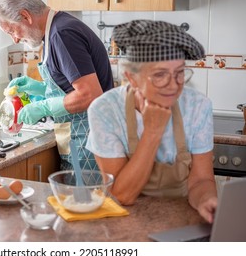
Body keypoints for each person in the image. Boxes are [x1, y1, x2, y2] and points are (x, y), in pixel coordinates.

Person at [85, 20, 218, 223]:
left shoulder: (197, 106)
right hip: (123, 222)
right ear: (132, 78)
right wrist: (153, 131)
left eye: (180, 73)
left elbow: (200, 180)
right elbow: (121, 195)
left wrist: (206, 200)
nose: (174, 85)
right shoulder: (105, 110)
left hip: (182, 220)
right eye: (160, 75)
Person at [0, 0, 114, 171]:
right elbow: (71, 88)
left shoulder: (62, 35)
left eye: (12, 31)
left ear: (26, 16)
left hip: (91, 143)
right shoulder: (54, 31)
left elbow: (90, 94)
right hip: (82, 140)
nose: (14, 39)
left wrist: (43, 107)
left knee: (88, 200)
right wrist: (40, 88)